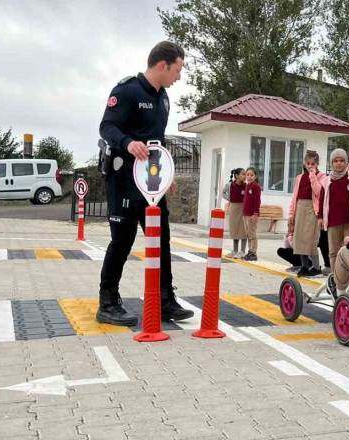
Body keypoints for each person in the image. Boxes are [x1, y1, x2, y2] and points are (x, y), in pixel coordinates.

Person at [97, 41, 193, 326]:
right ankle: (108, 302)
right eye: (178, 69)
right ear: (163, 65)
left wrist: (167, 176)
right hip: (124, 179)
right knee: (122, 241)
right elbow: (107, 127)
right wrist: (128, 143)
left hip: (152, 183)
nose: (179, 76)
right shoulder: (126, 90)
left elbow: (158, 143)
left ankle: (164, 299)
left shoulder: (163, 98)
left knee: (161, 239)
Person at [318, 149, 349, 270]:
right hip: (333, 221)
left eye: (341, 160)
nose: (339, 163)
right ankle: (335, 278)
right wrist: (320, 217)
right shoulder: (327, 180)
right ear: (331, 163)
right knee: (334, 250)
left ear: (346, 162)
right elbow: (321, 199)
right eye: (335, 161)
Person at [288, 151, 326, 276]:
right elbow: (295, 196)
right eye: (308, 163)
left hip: (312, 209)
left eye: (313, 164)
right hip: (300, 207)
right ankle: (304, 266)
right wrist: (291, 214)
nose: (310, 166)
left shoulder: (321, 176)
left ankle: (316, 267)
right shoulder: (299, 177)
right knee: (300, 238)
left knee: (311, 239)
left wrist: (312, 175)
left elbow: (318, 192)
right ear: (304, 163)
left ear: (317, 164)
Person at [224, 168, 248, 259]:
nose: (245, 176)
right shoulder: (230, 185)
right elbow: (223, 192)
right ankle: (235, 250)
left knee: (243, 230)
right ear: (237, 176)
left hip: (243, 208)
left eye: (245, 174)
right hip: (233, 208)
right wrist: (229, 198)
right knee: (234, 229)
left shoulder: (246, 186)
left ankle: (242, 251)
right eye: (243, 174)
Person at [242, 167, 261, 261]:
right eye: (247, 175)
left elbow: (257, 201)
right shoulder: (247, 186)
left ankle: (253, 253)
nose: (249, 177)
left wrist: (255, 213)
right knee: (248, 234)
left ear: (255, 176)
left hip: (252, 214)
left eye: (251, 175)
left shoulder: (255, 186)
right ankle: (250, 251)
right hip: (246, 214)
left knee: (252, 234)